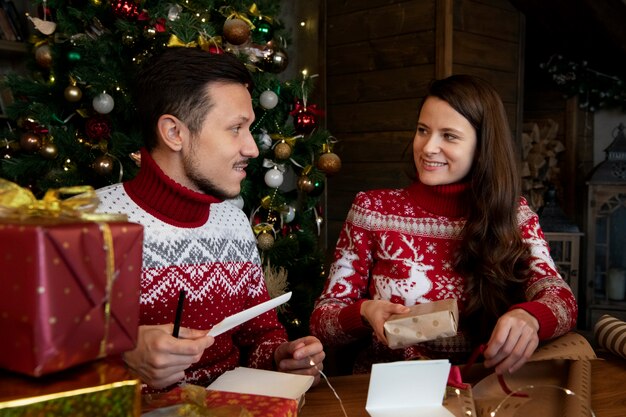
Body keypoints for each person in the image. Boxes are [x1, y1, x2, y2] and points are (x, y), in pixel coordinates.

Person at [310, 74, 577, 376]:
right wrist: (363, 312)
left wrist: (532, 319)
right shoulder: (373, 210)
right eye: (423, 130)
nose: (428, 147)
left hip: (483, 386)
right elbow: (323, 321)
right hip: (388, 388)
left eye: (449, 136)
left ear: (481, 147)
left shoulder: (514, 216)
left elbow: (562, 300)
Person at [96, 47, 324, 392]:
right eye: (236, 128)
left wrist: (281, 357)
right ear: (174, 133)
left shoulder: (232, 222)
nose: (251, 148)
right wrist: (121, 353)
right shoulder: (85, 226)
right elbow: (37, 359)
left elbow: (259, 335)